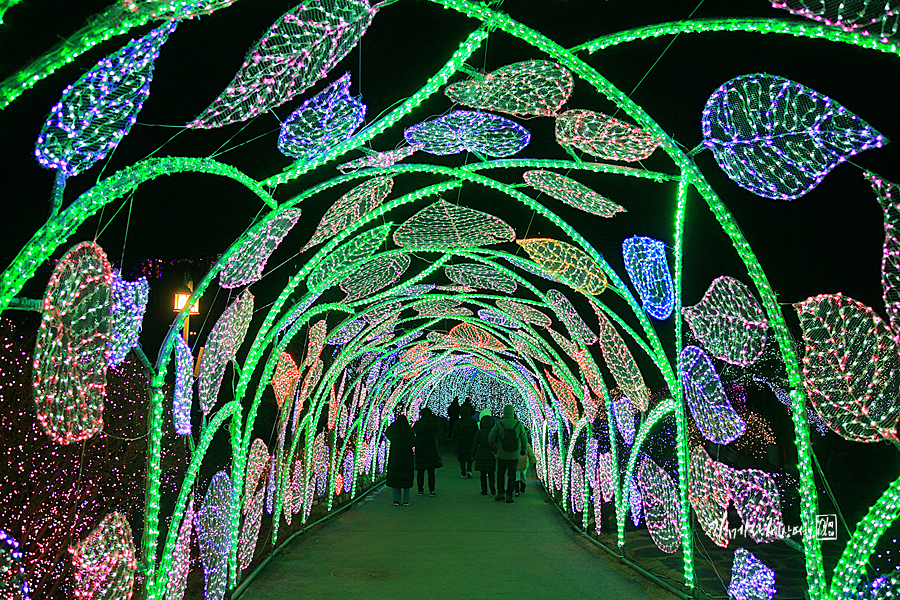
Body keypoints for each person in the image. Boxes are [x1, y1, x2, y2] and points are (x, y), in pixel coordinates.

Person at [489, 404, 527, 503]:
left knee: (500, 474)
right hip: (514, 454)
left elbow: (490, 438)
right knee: (512, 475)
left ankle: (500, 493)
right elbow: (524, 438)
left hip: (502, 454)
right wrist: (523, 449)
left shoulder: (499, 424)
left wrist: (494, 446)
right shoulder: (518, 424)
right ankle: (509, 494)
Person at [385, 411, 416, 506]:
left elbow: (387, 432)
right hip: (407, 458)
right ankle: (406, 500)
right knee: (406, 479)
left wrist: (394, 423)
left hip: (395, 458)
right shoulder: (409, 431)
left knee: (396, 479)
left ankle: (396, 500)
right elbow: (414, 442)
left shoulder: (394, 433)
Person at [413, 406, 442, 496]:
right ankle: (431, 490)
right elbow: (439, 431)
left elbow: (414, 432)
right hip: (431, 449)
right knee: (431, 471)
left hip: (420, 448)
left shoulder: (418, 424)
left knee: (420, 471)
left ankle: (420, 490)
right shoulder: (432, 423)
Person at [471, 414, 497, 495]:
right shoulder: (493, 432)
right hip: (491, 453)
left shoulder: (479, 432)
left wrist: (473, 454)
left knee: (482, 474)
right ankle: (492, 488)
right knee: (491, 473)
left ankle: (484, 490)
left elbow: (475, 444)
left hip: (481, 453)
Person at [455, 404, 477, 478]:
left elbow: (455, 433)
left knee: (462, 458)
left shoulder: (458, 422)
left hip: (461, 441)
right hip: (471, 441)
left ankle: (463, 471)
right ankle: (469, 470)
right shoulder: (473, 422)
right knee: (470, 456)